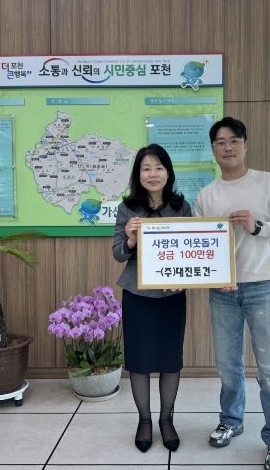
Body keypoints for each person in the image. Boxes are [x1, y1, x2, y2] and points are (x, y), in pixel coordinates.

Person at [194, 117, 270, 470]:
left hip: (262, 287)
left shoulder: (268, 183)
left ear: (245, 145)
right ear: (213, 149)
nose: (227, 147)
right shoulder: (206, 195)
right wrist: (213, 276)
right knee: (228, 365)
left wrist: (258, 227)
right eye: (220, 142)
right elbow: (200, 247)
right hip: (222, 291)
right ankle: (231, 420)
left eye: (233, 141)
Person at [112, 143, 192, 453]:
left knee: (171, 360)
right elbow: (118, 254)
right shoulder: (127, 208)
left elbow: (191, 249)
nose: (153, 173)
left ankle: (166, 420)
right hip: (138, 295)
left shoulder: (182, 207)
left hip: (172, 296)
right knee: (140, 360)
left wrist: (184, 278)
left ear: (168, 172)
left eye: (159, 167)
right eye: (146, 168)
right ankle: (144, 421)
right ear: (138, 174)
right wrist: (131, 240)